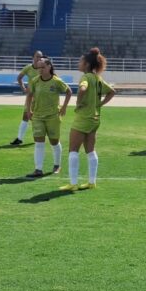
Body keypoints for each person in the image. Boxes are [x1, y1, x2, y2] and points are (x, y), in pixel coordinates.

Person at [60, 48, 116, 191]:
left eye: (80, 61)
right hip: (95, 118)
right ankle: (92, 182)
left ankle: (73, 184)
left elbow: (82, 89)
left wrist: (79, 102)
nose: (78, 63)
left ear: (87, 64)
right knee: (90, 150)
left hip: (83, 118)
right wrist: (100, 104)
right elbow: (112, 92)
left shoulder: (85, 77)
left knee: (73, 150)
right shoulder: (98, 78)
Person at [23, 57, 71, 178]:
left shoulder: (56, 81)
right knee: (39, 142)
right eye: (39, 68)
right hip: (37, 116)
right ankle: (38, 169)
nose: (40, 70)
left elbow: (69, 91)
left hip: (53, 116)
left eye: (43, 67)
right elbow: (29, 95)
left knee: (54, 142)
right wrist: (28, 110)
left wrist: (64, 107)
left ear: (49, 67)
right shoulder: (35, 81)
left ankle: (57, 165)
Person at [11, 50, 45, 146]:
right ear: (33, 57)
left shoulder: (43, 68)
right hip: (31, 97)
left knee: (38, 117)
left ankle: (40, 137)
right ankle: (19, 138)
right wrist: (24, 88)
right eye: (37, 56)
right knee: (26, 116)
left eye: (40, 57)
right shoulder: (28, 68)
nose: (39, 58)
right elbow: (19, 78)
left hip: (41, 98)